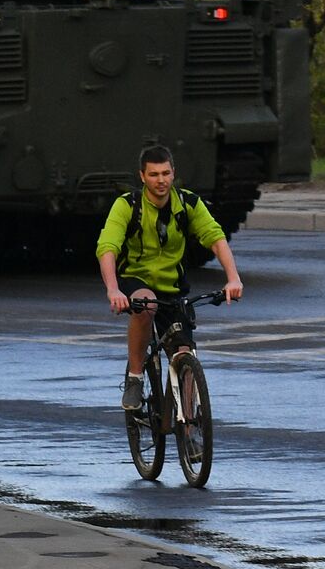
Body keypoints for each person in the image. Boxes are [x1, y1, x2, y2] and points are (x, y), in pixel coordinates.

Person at [96, 145, 242, 410]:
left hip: (173, 287)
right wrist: (113, 290)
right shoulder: (127, 205)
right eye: (153, 174)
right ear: (142, 176)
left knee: (184, 353)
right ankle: (135, 377)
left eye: (165, 173)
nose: (160, 180)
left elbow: (216, 238)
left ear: (173, 173)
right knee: (147, 305)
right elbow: (107, 247)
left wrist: (233, 278)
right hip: (135, 280)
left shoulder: (188, 203)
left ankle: (189, 427)